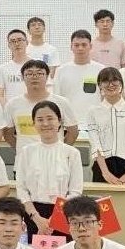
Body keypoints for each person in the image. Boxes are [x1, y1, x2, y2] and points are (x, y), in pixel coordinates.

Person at [16, 101, 83, 239]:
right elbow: (21, 189)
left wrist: (55, 218)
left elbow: (75, 191)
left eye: (50, 118)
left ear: (59, 122)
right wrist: (37, 218)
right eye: (40, 120)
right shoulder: (26, 152)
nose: (45, 123)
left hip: (64, 213)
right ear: (34, 123)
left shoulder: (72, 153)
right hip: (33, 215)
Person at [85, 68, 125, 184]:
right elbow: (95, 144)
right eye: (105, 81)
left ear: (121, 83)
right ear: (100, 85)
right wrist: (105, 172)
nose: (111, 85)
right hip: (103, 167)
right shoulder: (93, 112)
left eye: (114, 80)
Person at [2, 60, 79, 150]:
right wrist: (21, 151)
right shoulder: (12, 104)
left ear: (47, 76)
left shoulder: (62, 102)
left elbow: (73, 132)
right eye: (29, 74)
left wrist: (61, 151)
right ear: (22, 77)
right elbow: (7, 134)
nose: (34, 77)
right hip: (25, 158)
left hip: (55, 157)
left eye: (39, 73)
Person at [52, 30, 104, 125]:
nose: (80, 48)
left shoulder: (101, 70)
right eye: (76, 45)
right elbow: (57, 98)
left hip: (95, 122)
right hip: (69, 123)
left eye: (84, 45)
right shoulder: (61, 70)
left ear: (90, 46)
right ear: (71, 47)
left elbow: (104, 98)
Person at [0, 29, 29, 105]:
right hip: (11, 109)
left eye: (20, 40)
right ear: (9, 45)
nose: (17, 44)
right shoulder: (3, 68)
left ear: (27, 42)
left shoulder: (36, 65)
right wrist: (8, 109)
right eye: (13, 41)